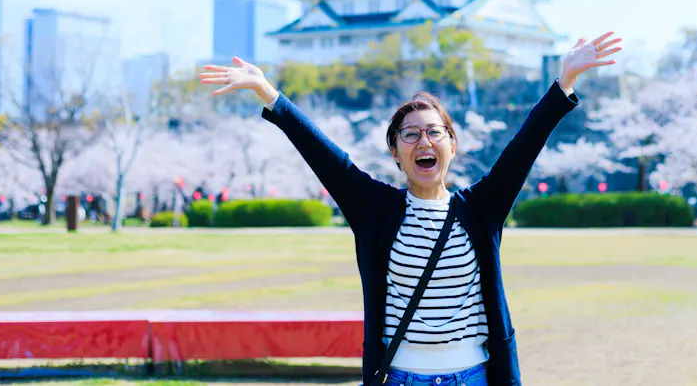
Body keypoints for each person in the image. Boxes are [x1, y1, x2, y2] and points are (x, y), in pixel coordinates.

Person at [199, 32, 622, 386]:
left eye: (435, 132)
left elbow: (524, 147)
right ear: (395, 152)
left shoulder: (481, 209)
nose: (424, 141)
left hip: (472, 377)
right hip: (400, 378)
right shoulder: (375, 210)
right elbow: (328, 158)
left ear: (452, 146)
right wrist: (269, 94)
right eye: (410, 134)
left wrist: (563, 83)